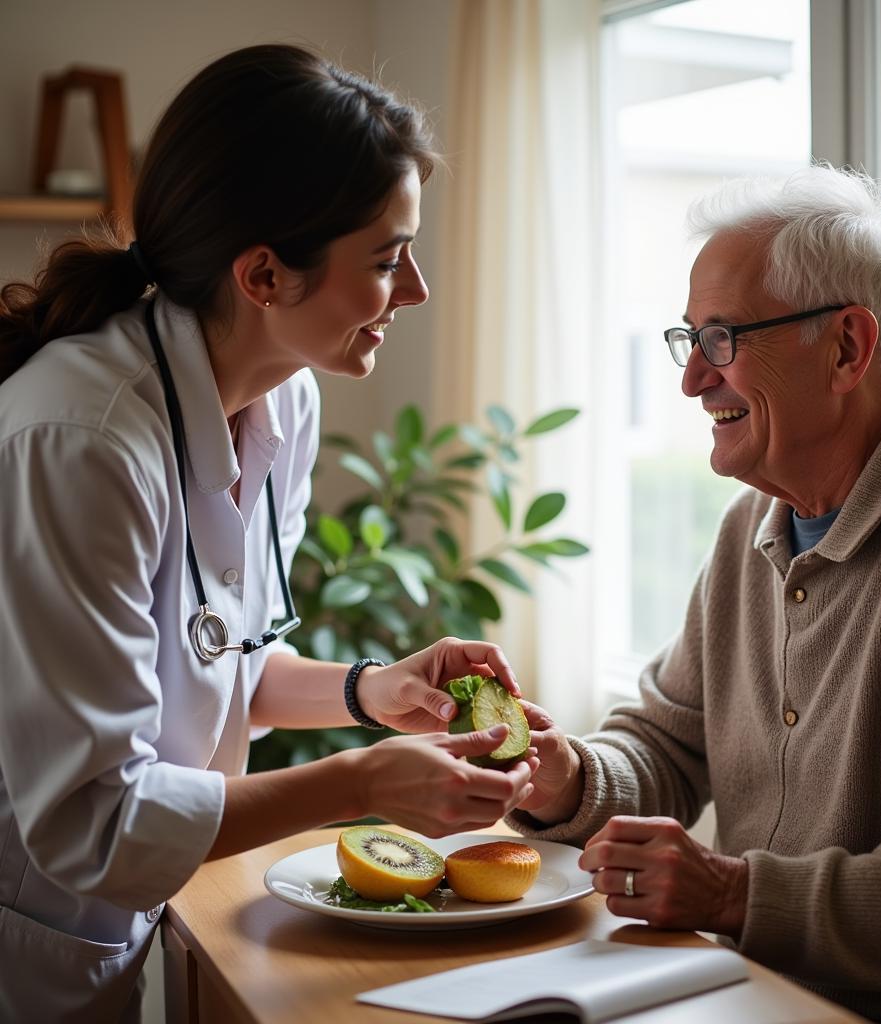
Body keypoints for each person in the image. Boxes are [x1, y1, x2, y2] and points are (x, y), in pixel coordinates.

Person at [0, 45, 537, 1022]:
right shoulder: (81, 444)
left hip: (120, 924)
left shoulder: (281, 404)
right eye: (385, 258)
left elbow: (220, 662)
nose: (413, 290)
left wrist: (373, 692)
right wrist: (362, 781)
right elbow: (92, 821)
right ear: (262, 274)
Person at [510, 166, 881, 1022]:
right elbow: (671, 751)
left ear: (847, 349)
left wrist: (733, 896)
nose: (691, 381)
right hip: (754, 999)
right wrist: (567, 778)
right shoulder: (758, 519)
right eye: (690, 341)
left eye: (722, 339)